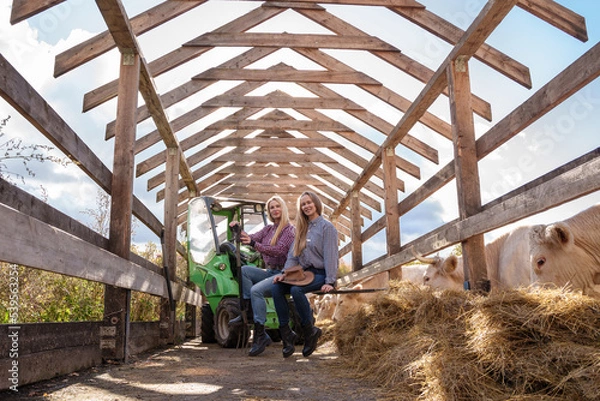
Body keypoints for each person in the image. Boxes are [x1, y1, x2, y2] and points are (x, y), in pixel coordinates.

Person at [272, 191, 339, 358]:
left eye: (309, 202)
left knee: (296, 291)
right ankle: (287, 334)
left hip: (321, 274)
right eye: (303, 204)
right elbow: (292, 256)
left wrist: (330, 282)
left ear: (316, 203)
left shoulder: (327, 227)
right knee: (277, 288)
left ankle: (310, 331)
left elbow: (331, 255)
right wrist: (284, 274)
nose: (306, 206)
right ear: (300, 208)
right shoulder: (301, 228)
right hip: (304, 273)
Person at [228, 195, 295, 356]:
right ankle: (249, 310)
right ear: (269, 211)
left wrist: (254, 244)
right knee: (244, 270)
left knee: (256, 290)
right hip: (270, 271)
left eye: (277, 206)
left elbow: (279, 250)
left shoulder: (289, 230)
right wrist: (237, 229)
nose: (275, 209)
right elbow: (250, 238)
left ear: (283, 208)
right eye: (271, 207)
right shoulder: (268, 229)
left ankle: (260, 334)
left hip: (284, 273)